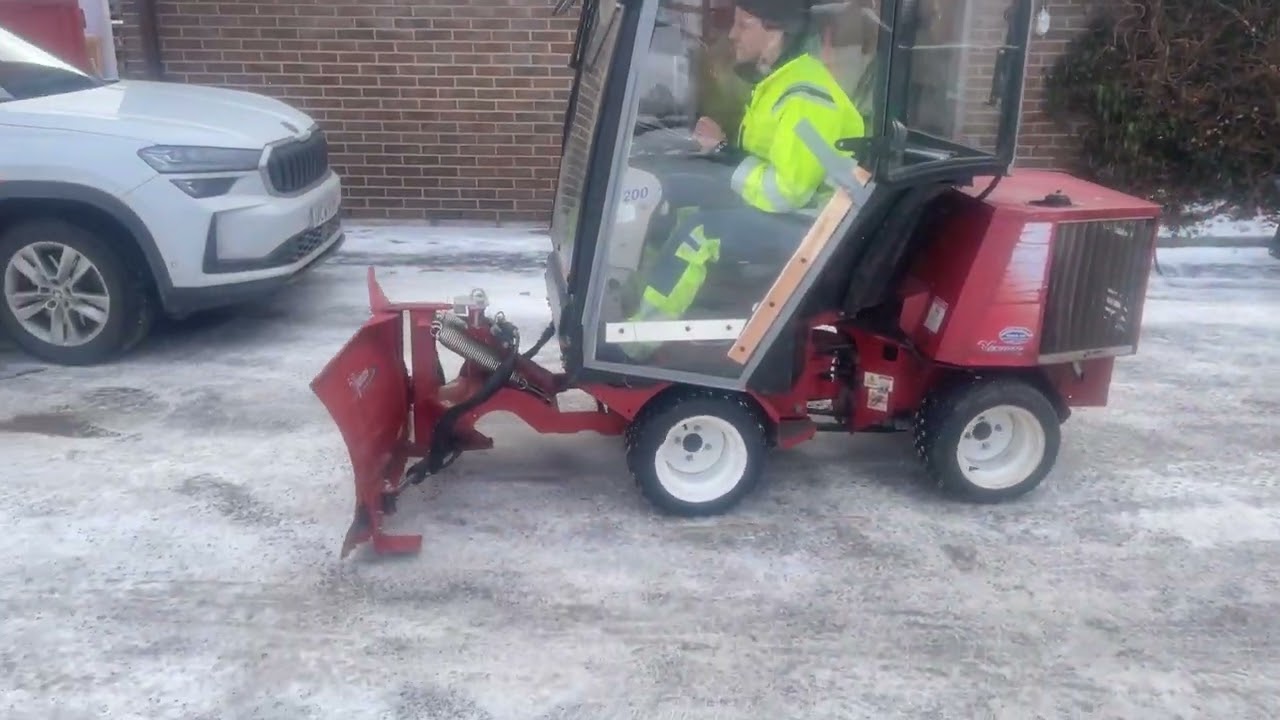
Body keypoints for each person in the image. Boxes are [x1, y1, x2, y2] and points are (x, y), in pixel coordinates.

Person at [624, 0, 866, 358]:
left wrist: (724, 152)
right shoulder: (778, 82)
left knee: (700, 232)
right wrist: (715, 153)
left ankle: (636, 344)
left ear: (775, 31)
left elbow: (787, 192)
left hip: (816, 227)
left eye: (743, 24)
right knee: (675, 202)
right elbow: (767, 163)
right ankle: (636, 310)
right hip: (795, 215)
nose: (732, 34)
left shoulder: (804, 96)